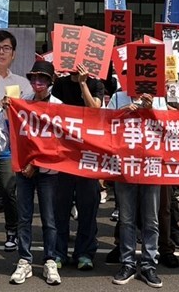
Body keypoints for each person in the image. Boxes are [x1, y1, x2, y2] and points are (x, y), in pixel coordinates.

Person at [9, 61, 62, 286]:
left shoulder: (59, 106)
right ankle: (24, 260)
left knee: (49, 219)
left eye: (42, 79)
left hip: (48, 171)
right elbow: (18, 136)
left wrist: (36, 163)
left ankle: (50, 260)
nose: (37, 83)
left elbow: (57, 142)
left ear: (51, 82)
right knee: (24, 217)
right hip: (24, 170)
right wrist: (6, 109)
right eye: (34, 78)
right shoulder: (23, 102)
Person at [52, 63, 104, 270]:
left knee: (88, 205)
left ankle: (85, 252)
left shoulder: (96, 83)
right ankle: (58, 252)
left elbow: (95, 109)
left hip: (88, 153)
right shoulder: (60, 84)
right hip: (64, 153)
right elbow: (52, 111)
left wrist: (83, 85)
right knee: (60, 207)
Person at [110, 92, 163, 288]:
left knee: (151, 220)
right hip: (125, 166)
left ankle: (149, 265)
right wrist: (122, 112)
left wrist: (151, 111)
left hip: (151, 165)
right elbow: (104, 123)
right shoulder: (117, 96)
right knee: (126, 219)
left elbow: (170, 127)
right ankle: (128, 263)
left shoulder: (159, 98)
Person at [0, 30, 32, 253]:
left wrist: (13, 108)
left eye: (6, 48)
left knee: (7, 188)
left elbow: (31, 116)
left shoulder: (23, 83)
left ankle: (11, 230)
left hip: (7, 143)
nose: (1, 52)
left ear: (13, 54)